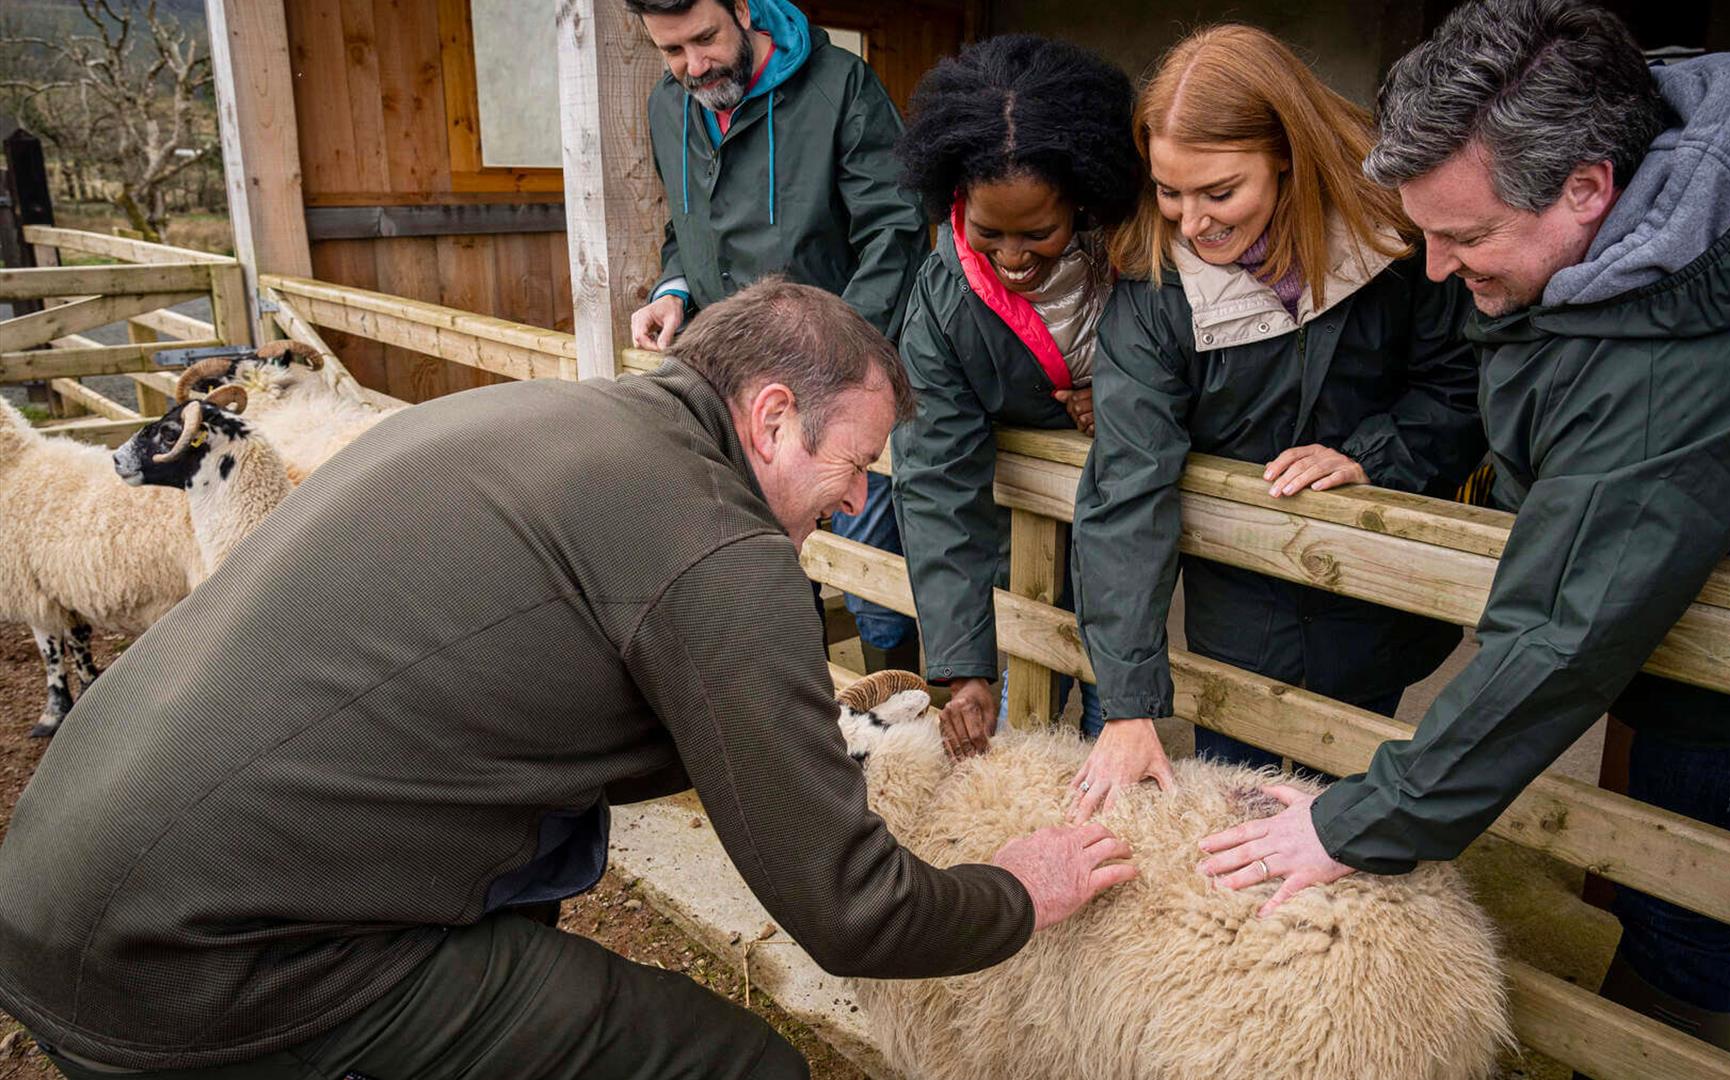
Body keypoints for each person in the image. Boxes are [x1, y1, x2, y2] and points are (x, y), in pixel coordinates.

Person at [0, 281, 1136, 1080]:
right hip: (197, 961)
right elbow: (848, 911)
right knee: (733, 1068)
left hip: (55, 879)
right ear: (775, 417)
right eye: (852, 466)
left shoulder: (543, 419)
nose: (853, 501)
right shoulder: (720, 551)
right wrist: (1017, 890)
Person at [1195, 3, 1730, 1075]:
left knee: (1696, 901)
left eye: (1468, 236)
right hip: (1711, 584)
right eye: (1424, 232)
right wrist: (1392, 457)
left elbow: (1566, 626)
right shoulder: (1640, 184)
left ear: (1588, 187)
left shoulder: (1698, 355)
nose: (1437, 272)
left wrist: (1363, 820)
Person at [1068, 25, 1484, 820]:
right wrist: (1129, 704)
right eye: (1168, 190)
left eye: (1220, 192)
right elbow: (1128, 486)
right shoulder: (1155, 293)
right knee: (1239, 811)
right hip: (1238, 614)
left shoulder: (1394, 247)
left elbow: (1460, 384)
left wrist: (1374, 454)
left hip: (1374, 600)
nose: (1192, 222)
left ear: (1287, 153)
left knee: (1347, 809)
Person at [625, 0, 921, 669]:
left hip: (836, 382)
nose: (693, 67)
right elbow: (686, 227)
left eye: (705, 38)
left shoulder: (840, 88)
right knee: (763, 565)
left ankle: (893, 715)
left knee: (865, 566)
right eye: (672, 52)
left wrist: (835, 360)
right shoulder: (667, 107)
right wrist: (674, 290)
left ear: (743, 7)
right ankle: (800, 715)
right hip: (731, 387)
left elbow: (895, 235)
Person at [888, 35, 1142, 756]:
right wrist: (965, 667)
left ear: (1084, 200)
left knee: (1112, 711)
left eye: (1040, 233)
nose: (1012, 257)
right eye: (989, 232)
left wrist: (1124, 392)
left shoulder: (1141, 257)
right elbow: (936, 476)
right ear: (955, 201)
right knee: (1024, 706)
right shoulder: (942, 302)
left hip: (1130, 533)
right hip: (1022, 535)